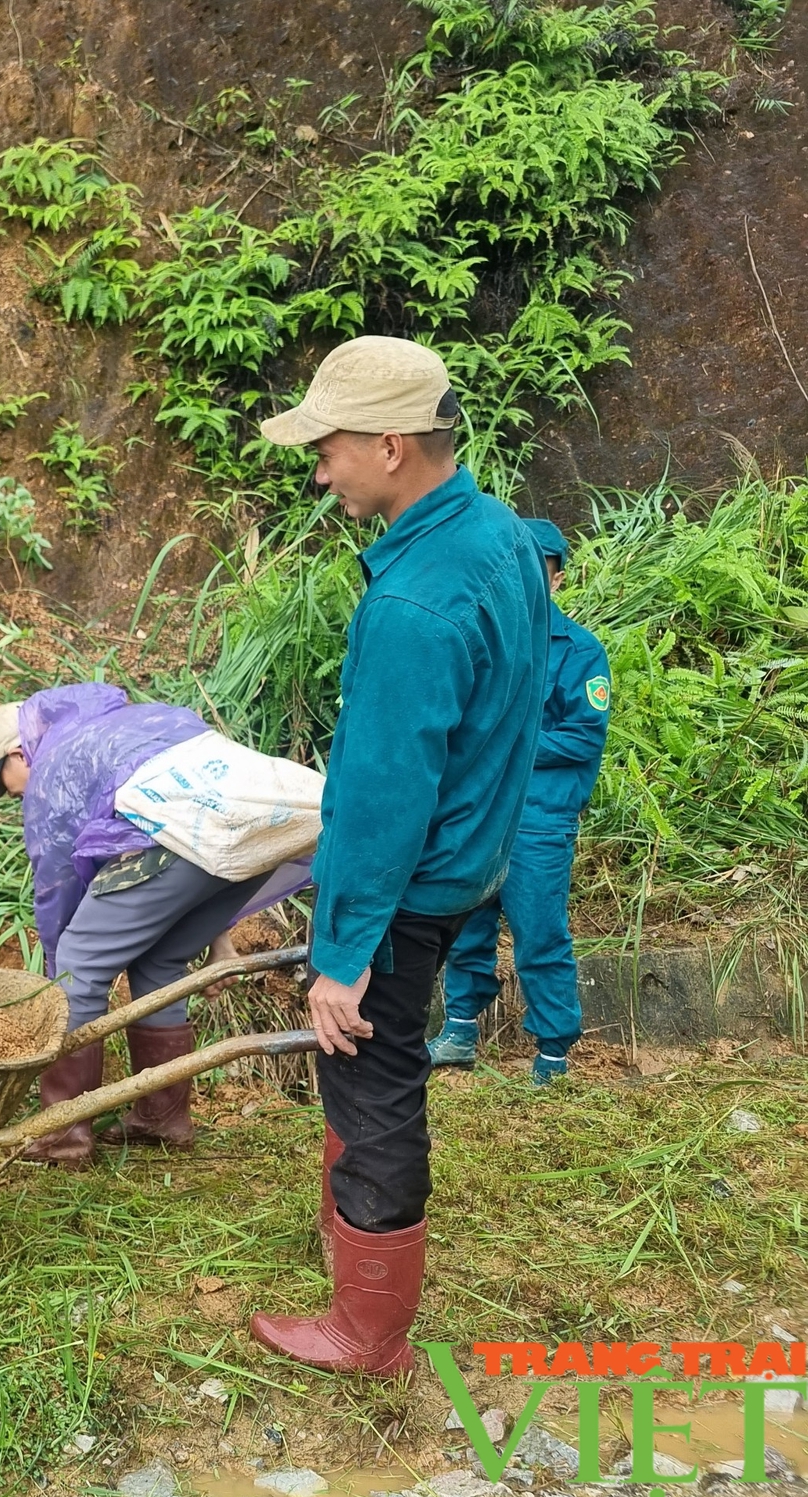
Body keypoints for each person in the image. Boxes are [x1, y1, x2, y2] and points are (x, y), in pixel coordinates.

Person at [242, 336, 548, 1375]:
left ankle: (366, 1334)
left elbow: (380, 798)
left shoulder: (411, 605)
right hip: (466, 857)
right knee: (368, 1068)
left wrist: (343, 954)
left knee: (370, 1078)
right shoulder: (498, 535)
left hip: (411, 875)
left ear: (387, 446)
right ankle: (350, 1250)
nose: (317, 470)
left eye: (325, 449)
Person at [0, 686, 306, 1165]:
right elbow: (211, 820)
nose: (11, 793)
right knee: (161, 958)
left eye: (4, 781)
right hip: (267, 818)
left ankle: (61, 1136)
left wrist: (59, 972)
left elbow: (57, 883)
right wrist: (220, 941)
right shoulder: (129, 724)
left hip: (195, 830)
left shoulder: (54, 766)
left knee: (79, 966)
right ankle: (162, 1119)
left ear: (19, 750)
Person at [430, 518, 610, 1084]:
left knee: (539, 933)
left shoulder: (579, 652)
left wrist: (506, 737)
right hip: (481, 812)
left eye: (542, 569)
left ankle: (553, 1053)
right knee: (465, 924)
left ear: (557, 578)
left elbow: (583, 735)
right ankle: (460, 1029)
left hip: (537, 819)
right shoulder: (486, 643)